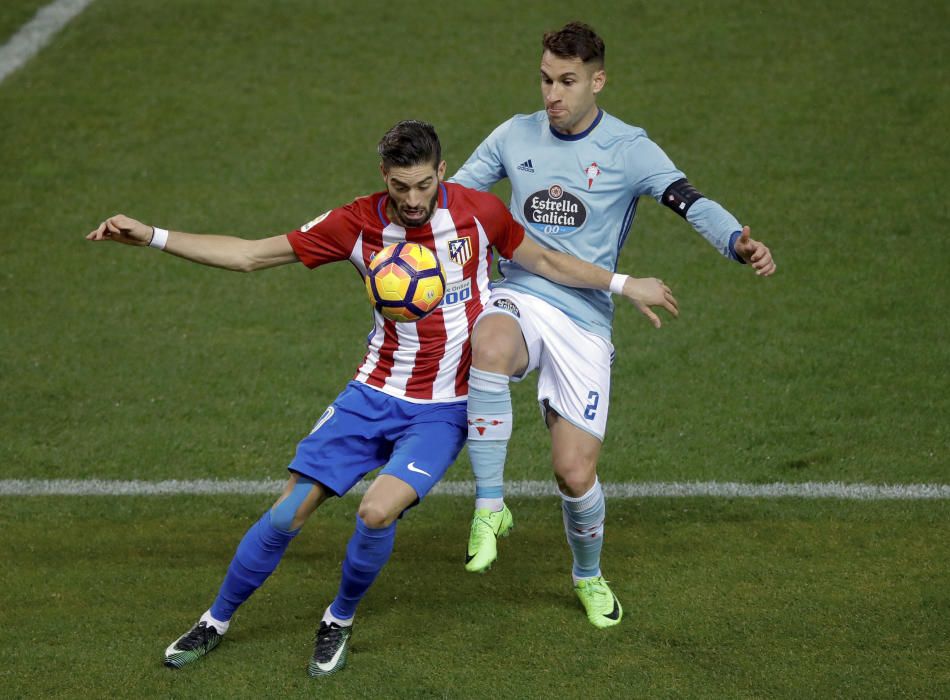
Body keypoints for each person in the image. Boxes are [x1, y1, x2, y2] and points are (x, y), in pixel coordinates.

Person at [86, 120, 677, 676]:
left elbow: (546, 260)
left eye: (424, 184)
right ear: (382, 176)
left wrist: (625, 285)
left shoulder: (480, 213)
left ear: (442, 170)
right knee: (288, 510)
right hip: (372, 392)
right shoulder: (355, 224)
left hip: (446, 409)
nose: (414, 199)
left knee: (376, 510)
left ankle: (338, 617)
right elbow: (250, 255)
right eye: (401, 186)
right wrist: (153, 236)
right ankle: (214, 620)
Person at [450, 21, 777, 629]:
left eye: (568, 82)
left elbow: (688, 199)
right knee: (488, 344)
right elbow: (453, 199)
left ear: (596, 81)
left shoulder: (629, 149)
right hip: (520, 292)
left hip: (585, 316)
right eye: (546, 79)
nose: (553, 93)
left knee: (574, 472)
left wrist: (736, 240)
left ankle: (587, 574)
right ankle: (489, 506)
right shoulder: (513, 135)